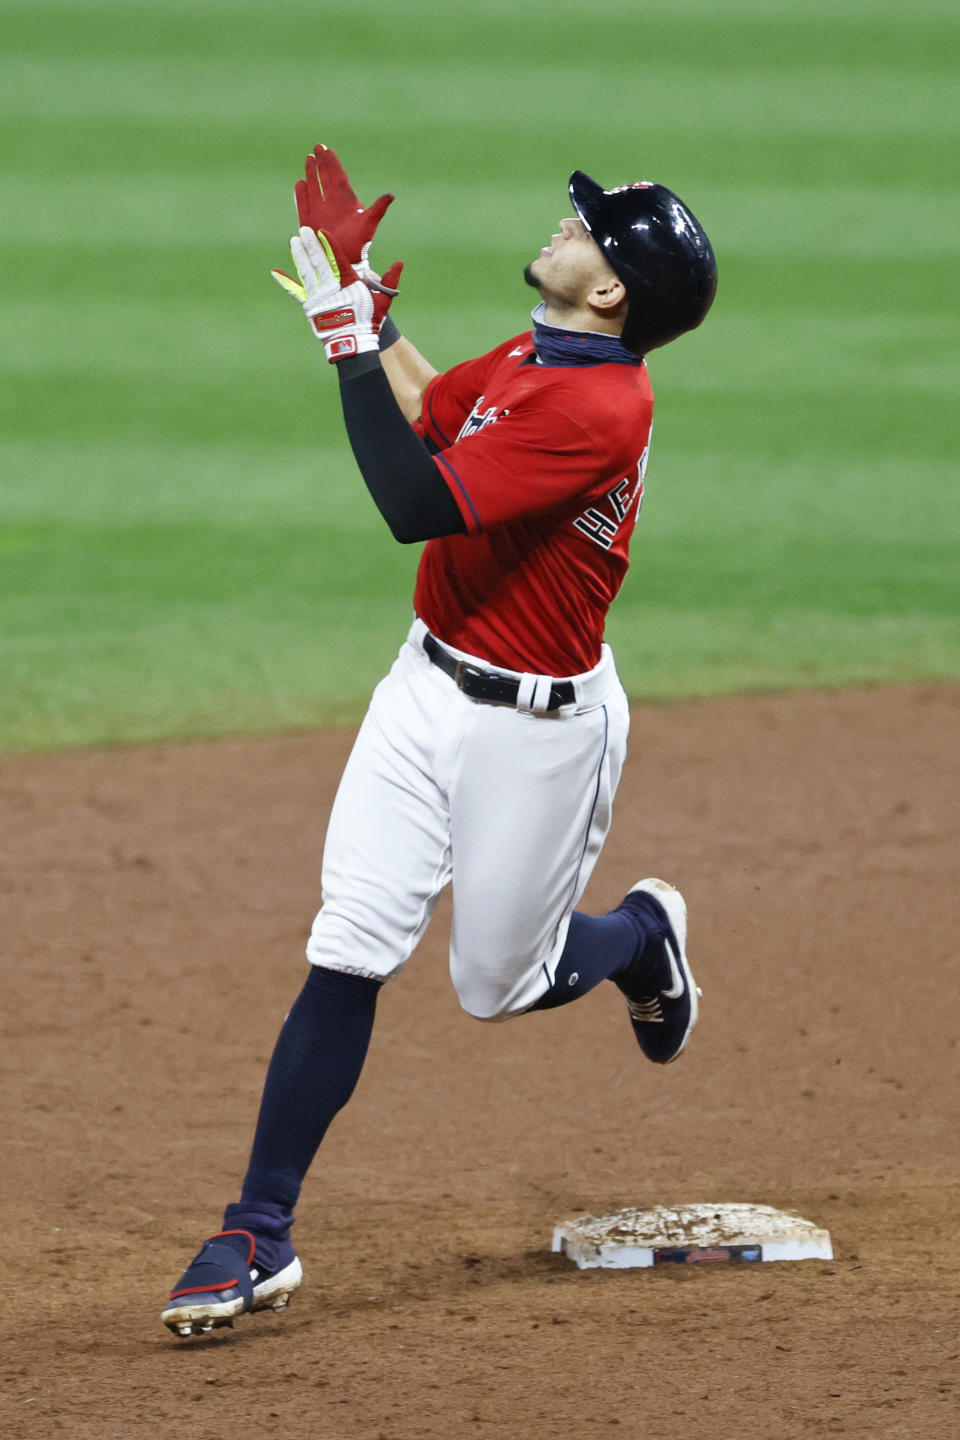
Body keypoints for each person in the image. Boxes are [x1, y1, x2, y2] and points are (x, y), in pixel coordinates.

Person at [162, 146, 718, 1338]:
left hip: (542, 735)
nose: (563, 229)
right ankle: (256, 1229)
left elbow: (416, 501)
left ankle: (639, 936)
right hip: (423, 693)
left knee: (494, 985)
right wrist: (374, 310)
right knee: (351, 943)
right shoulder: (541, 351)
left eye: (587, 233)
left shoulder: (599, 403)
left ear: (611, 291)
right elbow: (439, 414)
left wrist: (344, 342)